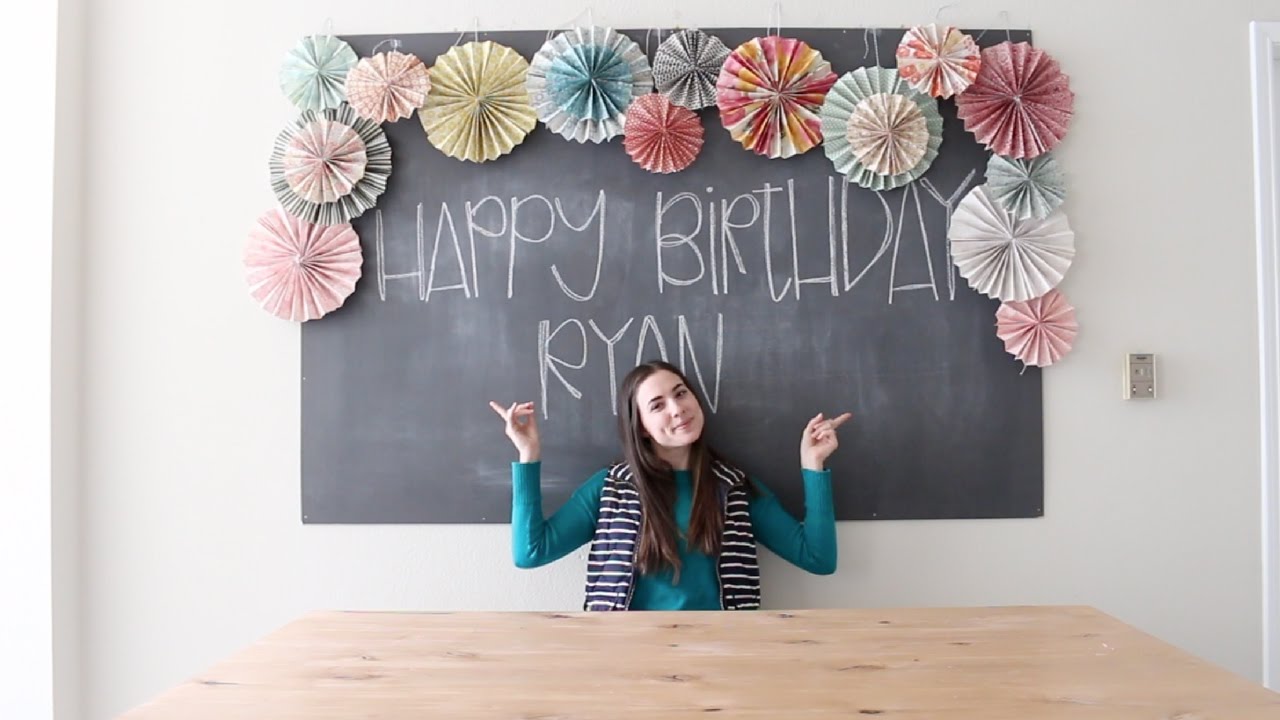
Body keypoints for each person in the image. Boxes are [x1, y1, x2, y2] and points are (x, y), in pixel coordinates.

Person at [488, 359, 851, 611]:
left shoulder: (733, 487)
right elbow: (530, 553)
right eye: (657, 405)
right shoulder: (612, 488)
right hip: (628, 656)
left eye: (681, 393)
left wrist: (813, 466)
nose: (677, 409)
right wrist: (528, 454)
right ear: (641, 425)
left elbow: (818, 559)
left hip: (722, 654)